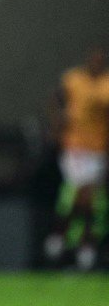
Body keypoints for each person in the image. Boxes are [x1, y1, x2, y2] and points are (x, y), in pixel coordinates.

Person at [44, 46, 109, 270]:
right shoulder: (74, 79)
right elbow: (55, 99)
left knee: (89, 200)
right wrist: (56, 124)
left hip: (98, 149)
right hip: (74, 147)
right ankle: (81, 245)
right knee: (83, 193)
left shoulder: (106, 85)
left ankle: (64, 239)